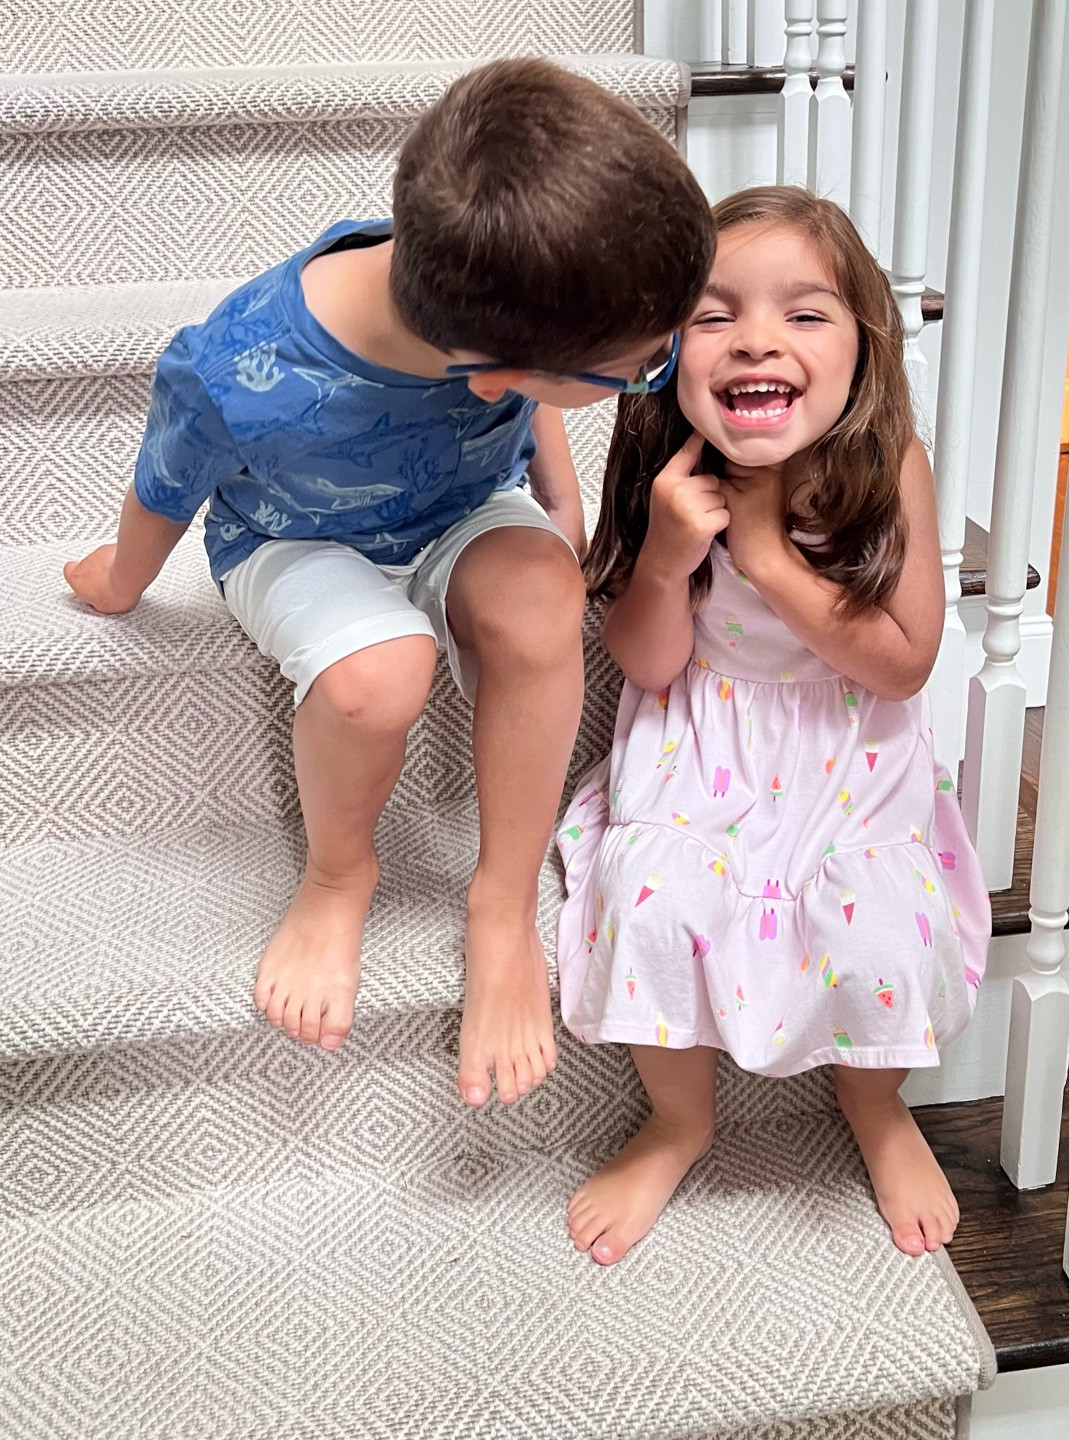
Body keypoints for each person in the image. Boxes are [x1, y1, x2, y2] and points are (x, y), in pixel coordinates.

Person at [62, 58, 715, 1108]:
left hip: (461, 507)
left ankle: (501, 904)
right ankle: (338, 876)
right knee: (379, 673)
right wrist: (118, 581)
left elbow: (532, 392)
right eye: (643, 364)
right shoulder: (237, 373)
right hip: (293, 537)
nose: (664, 365)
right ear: (497, 370)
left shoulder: (487, 285)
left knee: (545, 594)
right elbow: (165, 484)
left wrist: (560, 506)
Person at [555, 185, 990, 1263]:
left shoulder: (890, 466)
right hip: (701, 739)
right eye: (715, 315)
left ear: (862, 349)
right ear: (669, 354)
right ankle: (679, 1120)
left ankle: (874, 1101)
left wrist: (764, 555)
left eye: (803, 313)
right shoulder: (667, 472)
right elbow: (647, 662)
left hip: (848, 750)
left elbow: (905, 664)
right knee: (654, 909)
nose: (757, 338)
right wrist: (667, 560)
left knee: (879, 932)